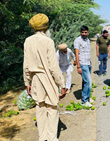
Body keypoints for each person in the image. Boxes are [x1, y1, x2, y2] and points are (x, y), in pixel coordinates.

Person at [23, 13, 66, 141]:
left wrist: (27, 82)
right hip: (47, 78)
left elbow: (25, 64)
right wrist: (62, 84)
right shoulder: (48, 41)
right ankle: (52, 138)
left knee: (40, 107)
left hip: (35, 79)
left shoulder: (28, 41)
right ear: (46, 27)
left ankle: (42, 138)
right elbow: (53, 67)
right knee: (52, 108)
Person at [74, 25, 93, 107]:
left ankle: (87, 98)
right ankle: (84, 101)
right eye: (82, 32)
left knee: (85, 81)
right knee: (88, 82)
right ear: (80, 32)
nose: (84, 34)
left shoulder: (88, 40)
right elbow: (77, 54)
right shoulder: (77, 40)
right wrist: (78, 66)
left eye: (85, 32)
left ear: (88, 32)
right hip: (83, 64)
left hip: (89, 63)